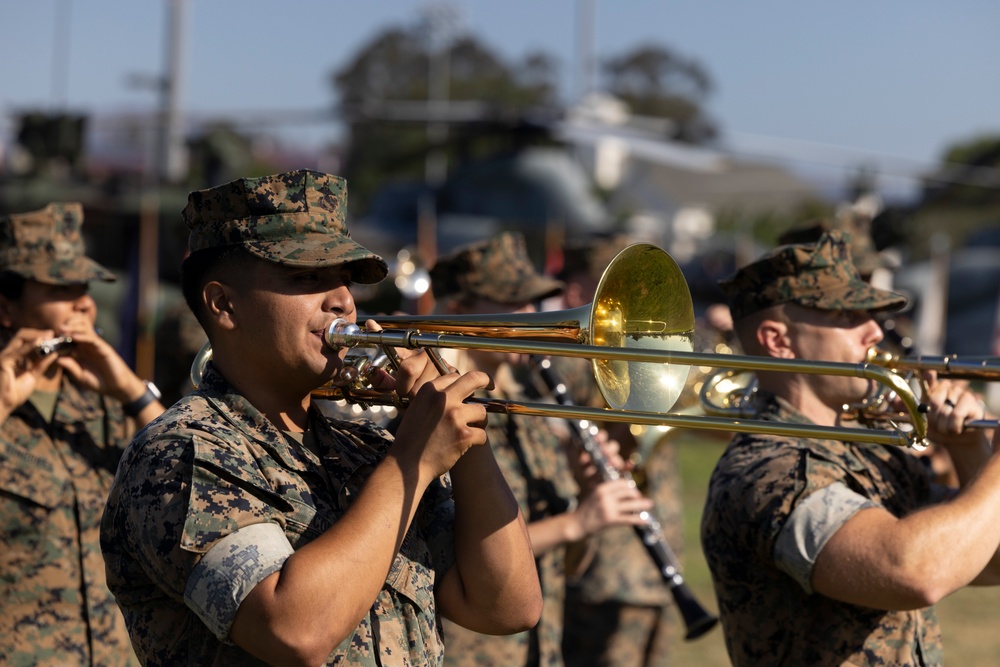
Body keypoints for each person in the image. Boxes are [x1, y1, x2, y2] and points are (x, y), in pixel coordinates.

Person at [100, 170, 542, 666]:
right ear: (224, 305)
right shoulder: (184, 451)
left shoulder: (363, 447)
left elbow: (507, 607)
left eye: (344, 280)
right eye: (306, 278)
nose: (343, 302)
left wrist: (463, 441)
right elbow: (293, 630)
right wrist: (412, 459)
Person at [700, 230, 1000, 666]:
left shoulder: (872, 452)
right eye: (846, 315)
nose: (875, 331)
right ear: (777, 341)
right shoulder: (767, 469)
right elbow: (913, 573)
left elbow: (987, 563)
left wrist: (969, 452)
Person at [428, 231, 653, 667]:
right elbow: (457, 554)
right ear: (456, 311)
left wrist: (588, 501)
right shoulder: (433, 418)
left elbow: (571, 564)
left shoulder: (527, 415)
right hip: (470, 652)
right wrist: (575, 522)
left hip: (543, 651)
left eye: (532, 302)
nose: (530, 317)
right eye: (512, 302)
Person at [0, 203, 164, 666]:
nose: (84, 303)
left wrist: (130, 389)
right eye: (60, 287)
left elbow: (195, 479)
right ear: (7, 306)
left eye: (85, 287)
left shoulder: (103, 400)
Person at [547, 234, 684, 667]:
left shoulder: (644, 352)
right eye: (615, 289)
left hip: (661, 562)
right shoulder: (565, 358)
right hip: (606, 570)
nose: (633, 302)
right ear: (576, 292)